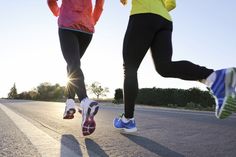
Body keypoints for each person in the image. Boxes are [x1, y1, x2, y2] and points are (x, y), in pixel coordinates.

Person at [113, 0, 236, 133]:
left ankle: (128, 120)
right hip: (164, 20)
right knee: (164, 67)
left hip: (142, 15)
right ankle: (214, 77)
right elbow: (172, 3)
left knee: (130, 69)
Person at [47, 0, 104, 136]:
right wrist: (92, 20)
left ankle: (85, 101)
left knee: (73, 63)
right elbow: (100, 4)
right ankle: (70, 102)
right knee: (73, 63)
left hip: (68, 23)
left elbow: (51, 1)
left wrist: (57, 12)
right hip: (86, 29)